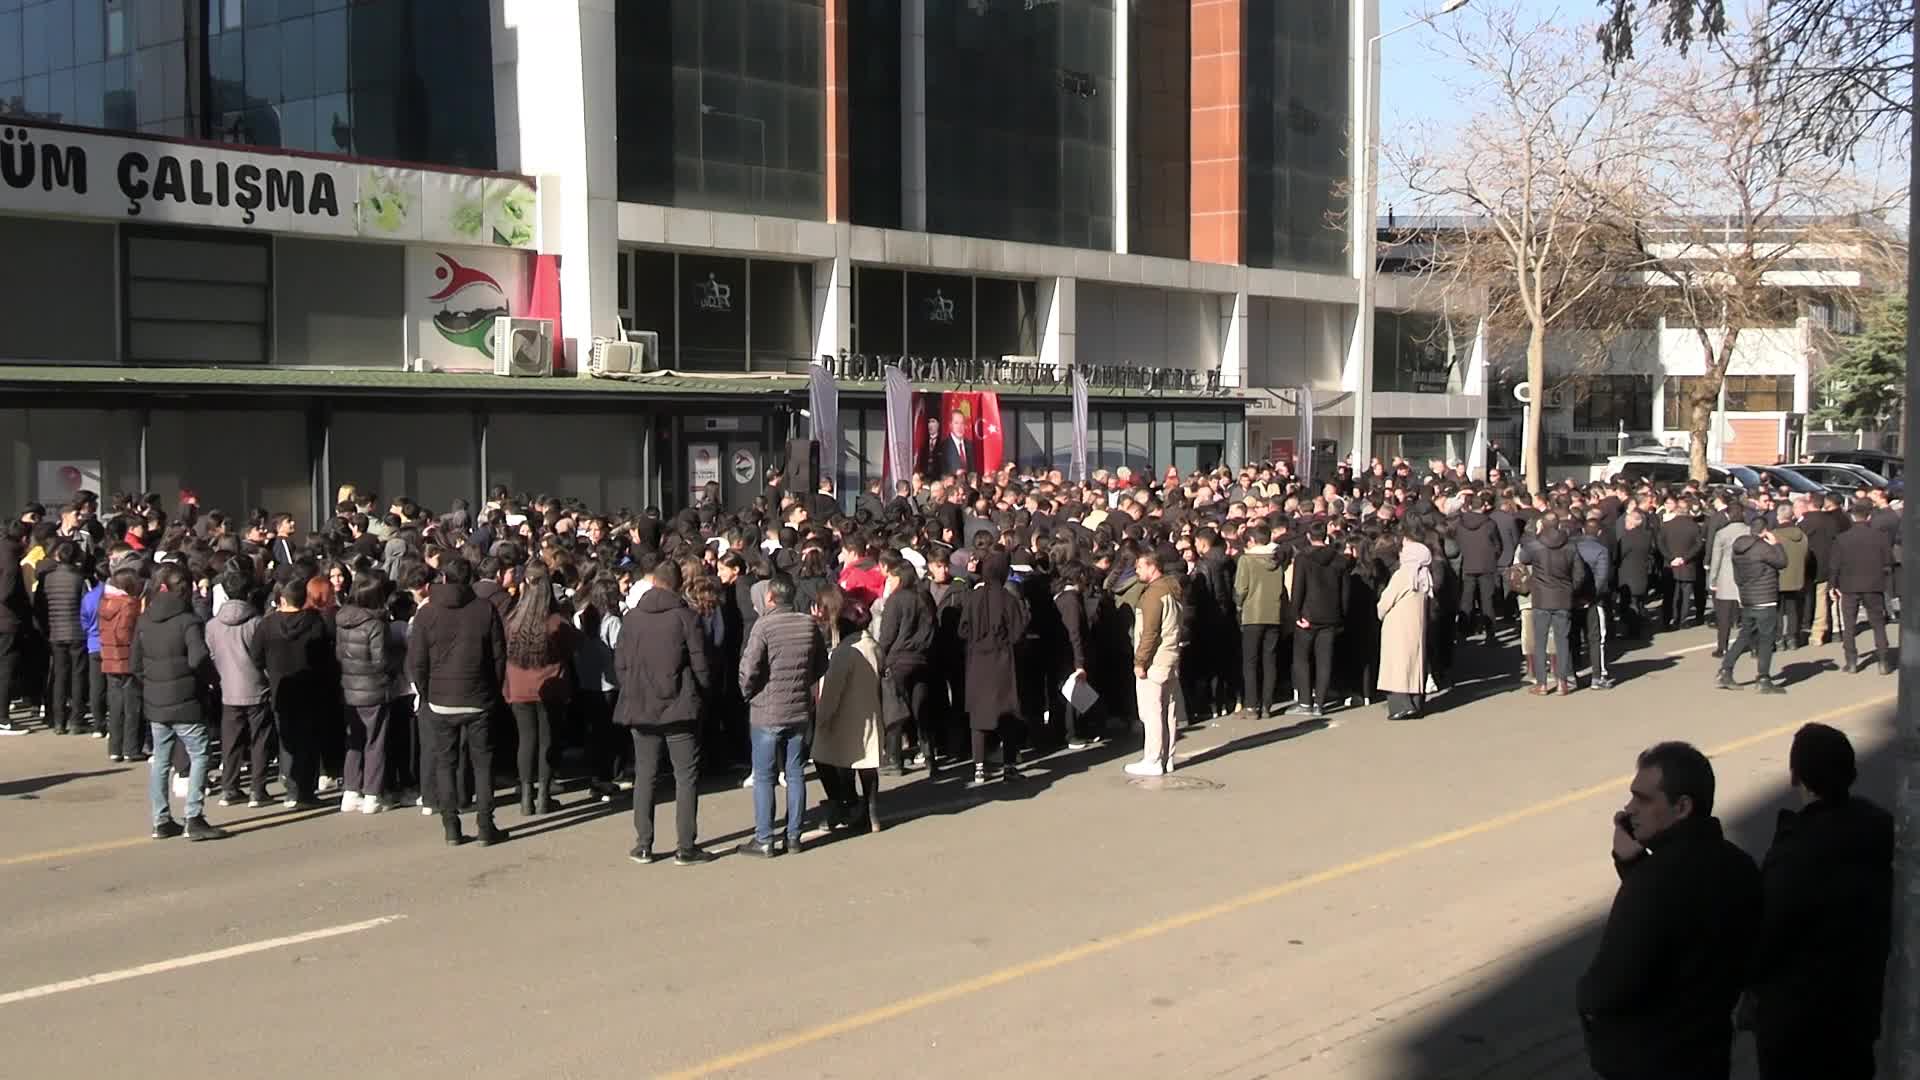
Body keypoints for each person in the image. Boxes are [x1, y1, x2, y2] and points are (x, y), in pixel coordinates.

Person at [1576, 741, 1760, 1080]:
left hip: (1650, 1061)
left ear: (1682, 807)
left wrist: (1586, 1006)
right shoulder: (1740, 866)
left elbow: (1609, 987)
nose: (1629, 809)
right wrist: (1633, 865)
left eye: (1644, 799)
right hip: (1708, 1056)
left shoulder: (1653, 882)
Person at [1747, 723, 1893, 1080]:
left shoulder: (1797, 850)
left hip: (1798, 1023)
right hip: (1856, 1010)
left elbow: (1767, 935)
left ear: (1796, 776)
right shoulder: (1876, 828)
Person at [615, 559, 713, 865]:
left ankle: (643, 843)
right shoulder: (686, 617)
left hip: (640, 704)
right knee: (686, 776)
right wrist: (703, 691)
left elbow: (620, 663)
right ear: (678, 583)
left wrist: (631, 688)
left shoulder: (632, 619)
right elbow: (700, 663)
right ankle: (686, 846)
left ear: (653, 582)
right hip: (679, 705)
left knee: (646, 775)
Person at [408, 555, 509, 847]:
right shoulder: (484, 609)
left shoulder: (427, 613)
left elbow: (417, 661)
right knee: (483, 764)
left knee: (445, 764)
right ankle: (486, 826)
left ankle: (451, 826)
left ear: (443, 578)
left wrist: (426, 693)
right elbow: (498, 657)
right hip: (478, 698)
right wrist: (493, 691)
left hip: (440, 700)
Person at [133, 563, 229, 841]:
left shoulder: (145, 620)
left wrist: (150, 685)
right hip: (186, 700)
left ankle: (161, 819)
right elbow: (199, 658)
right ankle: (194, 816)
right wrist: (211, 680)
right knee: (199, 754)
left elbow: (135, 664)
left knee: (161, 760)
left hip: (156, 700)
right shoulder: (188, 621)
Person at [736, 574, 827, 856]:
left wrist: (748, 692)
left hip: (766, 710)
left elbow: (749, 669)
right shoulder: (808, 624)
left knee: (764, 776)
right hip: (799, 709)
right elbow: (821, 664)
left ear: (770, 598)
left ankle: (765, 838)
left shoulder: (763, 626)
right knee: (795, 772)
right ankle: (794, 836)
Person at [503, 563, 575, 817]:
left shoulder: (512, 620)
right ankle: (543, 795)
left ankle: (525, 796)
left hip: (519, 685)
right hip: (550, 685)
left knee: (526, 740)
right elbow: (571, 649)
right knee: (547, 740)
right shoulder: (557, 622)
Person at [257, 578, 332, 808]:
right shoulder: (315, 622)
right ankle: (306, 792)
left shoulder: (267, 625)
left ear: (282, 599)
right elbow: (324, 657)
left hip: (281, 688)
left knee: (286, 740)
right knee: (308, 742)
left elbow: (255, 656)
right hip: (310, 688)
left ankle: (291, 789)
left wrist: (269, 672)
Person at [958, 552, 1029, 786]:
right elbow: (1018, 632)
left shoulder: (972, 599)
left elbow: (963, 630)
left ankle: (979, 767)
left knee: (978, 715)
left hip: (977, 662)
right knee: (1007, 714)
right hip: (1002, 662)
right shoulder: (1009, 600)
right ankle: (1009, 766)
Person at [814, 602, 884, 834]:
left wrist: (823, 718)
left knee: (829, 758)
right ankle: (872, 811)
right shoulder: (873, 646)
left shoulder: (845, 652)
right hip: (871, 711)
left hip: (846, 716)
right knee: (868, 765)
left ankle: (845, 804)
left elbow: (833, 690)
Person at [205, 568, 273, 807]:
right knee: (260, 739)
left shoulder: (212, 626)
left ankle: (230, 787)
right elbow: (263, 658)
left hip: (228, 689)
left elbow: (211, 655)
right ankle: (258, 789)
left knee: (231, 741)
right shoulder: (256, 623)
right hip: (257, 688)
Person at [335, 571, 393, 813]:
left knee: (354, 741)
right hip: (374, 688)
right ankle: (372, 794)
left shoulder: (341, 619)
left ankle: (350, 791)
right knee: (374, 742)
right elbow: (381, 661)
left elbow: (339, 654)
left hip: (349, 687)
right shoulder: (376, 624)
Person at [1128, 548, 1184, 777]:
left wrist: (1140, 661)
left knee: (1151, 713)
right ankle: (1167, 757)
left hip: (1155, 660)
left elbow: (1149, 632)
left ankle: (1152, 759)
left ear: (1152, 566)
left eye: (1140, 566)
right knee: (1168, 711)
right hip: (1171, 656)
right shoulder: (1172, 589)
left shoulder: (1152, 595)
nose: (1137, 570)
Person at [1520, 516, 1588, 696]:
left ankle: (1542, 684)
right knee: (1562, 640)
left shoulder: (1534, 545)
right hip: (1563, 597)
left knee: (1540, 641)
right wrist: (1570, 589)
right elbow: (1579, 574)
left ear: (1542, 525)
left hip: (1541, 598)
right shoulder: (1571, 546)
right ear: (1558, 525)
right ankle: (1562, 682)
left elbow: (1523, 559)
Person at [1715, 525, 1788, 694]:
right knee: (1765, 640)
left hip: (1747, 598)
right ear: (1764, 531)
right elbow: (1782, 562)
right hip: (1766, 599)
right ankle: (1763, 679)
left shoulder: (1737, 548)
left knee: (1745, 635)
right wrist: (1776, 544)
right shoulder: (1763, 548)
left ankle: (1726, 670)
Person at [1826, 502, 1894, 675]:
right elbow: (1888, 562)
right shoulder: (1881, 537)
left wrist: (1832, 585)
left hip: (1848, 585)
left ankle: (1851, 662)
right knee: (1878, 624)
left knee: (1849, 624)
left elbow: (1834, 565)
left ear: (1852, 516)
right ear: (1869, 516)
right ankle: (1883, 661)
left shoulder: (1842, 538)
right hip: (1873, 585)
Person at [33, 541, 88, 735]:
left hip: (56, 632)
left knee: (59, 676)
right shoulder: (79, 579)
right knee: (78, 676)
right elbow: (86, 608)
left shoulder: (47, 579)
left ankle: (58, 721)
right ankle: (76, 719)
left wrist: (46, 627)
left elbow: (39, 606)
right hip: (77, 632)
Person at [1233, 523, 1285, 719]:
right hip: (1274, 613)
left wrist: (1238, 605)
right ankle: (1267, 705)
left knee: (1250, 661)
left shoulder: (1246, 561)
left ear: (1252, 541)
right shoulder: (1277, 560)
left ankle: (1251, 706)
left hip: (1252, 615)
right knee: (1270, 660)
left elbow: (1241, 589)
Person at [1375, 536, 1430, 721]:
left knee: (1397, 665)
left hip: (1398, 625)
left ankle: (1401, 706)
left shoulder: (1403, 574)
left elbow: (1386, 600)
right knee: (1415, 664)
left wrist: (1379, 613)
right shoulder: (1424, 575)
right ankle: (1416, 703)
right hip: (1416, 625)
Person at [97, 567, 143, 760]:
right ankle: (131, 748)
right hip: (127, 658)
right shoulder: (129, 603)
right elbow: (125, 632)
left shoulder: (105, 602)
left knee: (115, 705)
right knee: (132, 706)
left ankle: (114, 748)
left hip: (109, 657)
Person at [1454, 498, 1505, 645]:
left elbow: (1458, 542)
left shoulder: (1460, 524)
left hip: (1467, 564)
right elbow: (1498, 544)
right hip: (1486, 564)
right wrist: (1493, 556)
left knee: (1466, 599)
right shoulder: (1489, 524)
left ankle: (1463, 633)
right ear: (1483, 506)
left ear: (1470, 506)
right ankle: (1490, 634)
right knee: (1487, 600)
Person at [1706, 500, 1750, 659]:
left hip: (1725, 576)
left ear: (1728, 515)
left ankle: (1722, 647)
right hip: (1746, 576)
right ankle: (1751, 645)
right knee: (1748, 614)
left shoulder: (1721, 533)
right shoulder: (1750, 531)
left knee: (1723, 616)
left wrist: (1712, 580)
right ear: (1743, 513)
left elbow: (1716, 559)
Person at [1768, 503, 1809, 652]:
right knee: (1793, 609)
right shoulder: (1802, 535)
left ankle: (1778, 639)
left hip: (1777, 577)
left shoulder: (1773, 535)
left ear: (1779, 517)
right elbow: (1806, 556)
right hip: (1796, 577)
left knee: (1777, 611)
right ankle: (1792, 638)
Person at [937, 409, 976, 476]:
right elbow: (940, 473)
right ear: (950, 425)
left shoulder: (971, 446)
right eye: (956, 423)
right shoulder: (943, 447)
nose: (959, 427)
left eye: (962, 423)